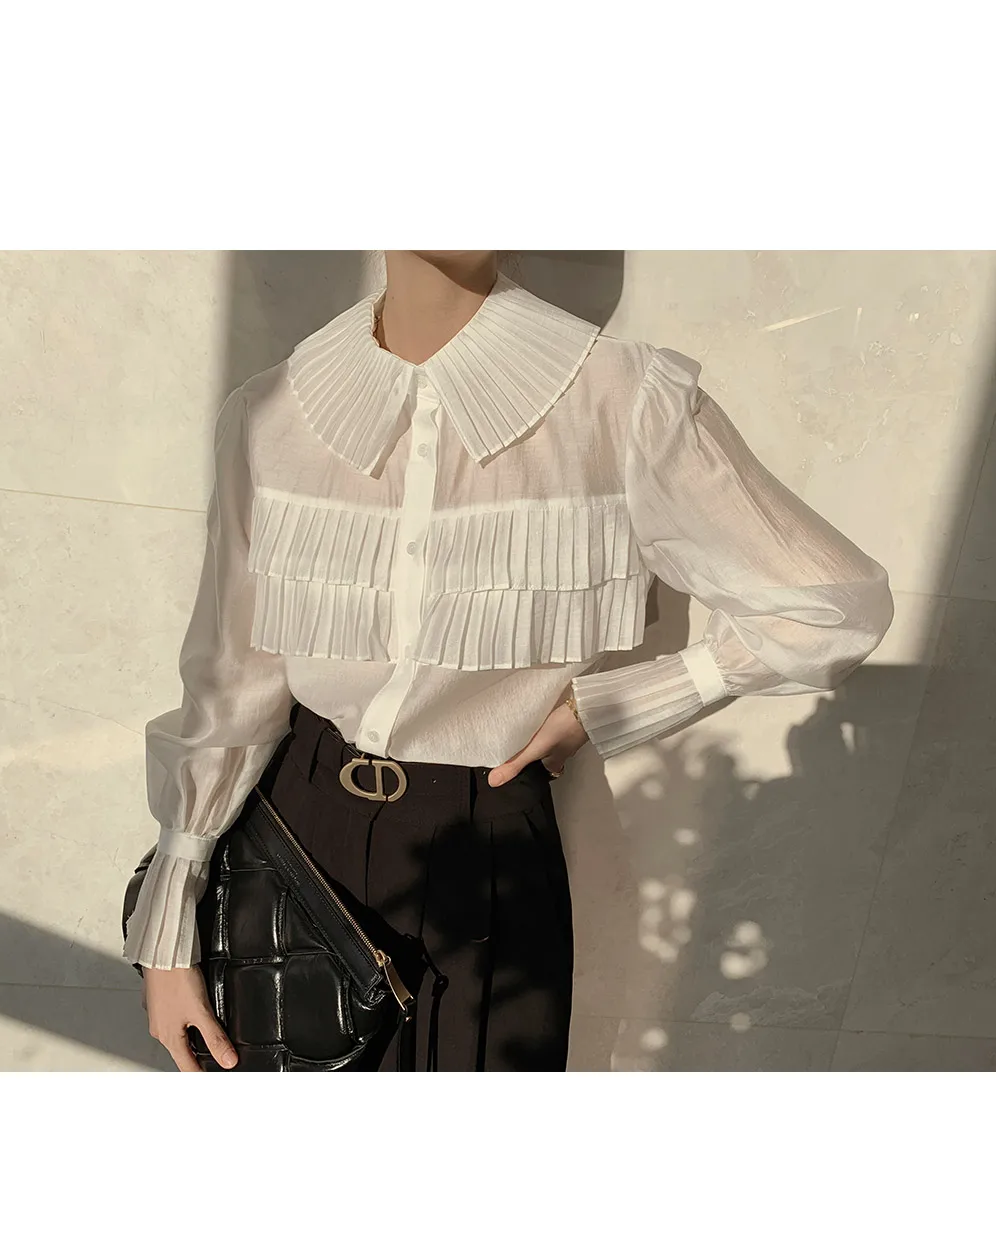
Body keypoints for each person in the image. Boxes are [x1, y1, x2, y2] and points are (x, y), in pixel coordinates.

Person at [124, 250, 895, 1072]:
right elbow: (231, 680)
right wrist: (171, 921)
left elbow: (832, 606)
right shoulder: (272, 411)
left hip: (487, 846)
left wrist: (611, 706)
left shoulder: (626, 401)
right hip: (294, 830)